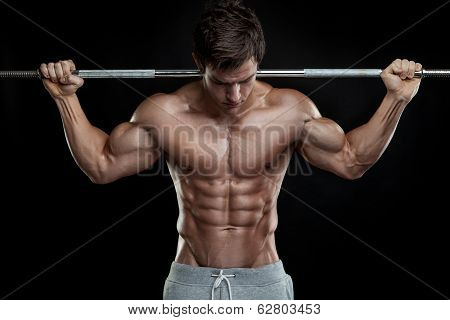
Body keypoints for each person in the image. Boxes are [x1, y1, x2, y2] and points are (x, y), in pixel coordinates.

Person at [39, 0, 421, 300]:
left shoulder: (290, 111)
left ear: (259, 61)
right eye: (221, 83)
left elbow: (352, 161)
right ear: (198, 63)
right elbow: (102, 165)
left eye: (246, 79)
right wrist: (65, 101)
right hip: (190, 281)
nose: (234, 95)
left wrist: (396, 100)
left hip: (264, 281)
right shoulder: (165, 113)